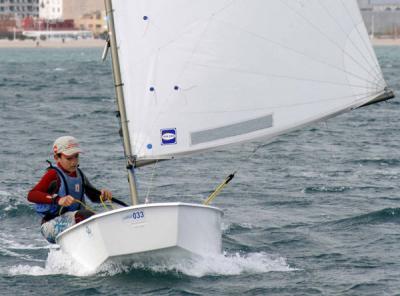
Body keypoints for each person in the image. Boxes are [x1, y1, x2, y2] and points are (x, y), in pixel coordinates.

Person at [27, 136, 112, 243]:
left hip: (75, 221)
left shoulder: (79, 174)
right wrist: (58, 200)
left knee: (99, 219)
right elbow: (31, 195)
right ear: (57, 158)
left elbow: (94, 197)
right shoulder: (53, 174)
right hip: (51, 225)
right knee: (86, 216)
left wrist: (103, 196)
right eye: (69, 158)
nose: (74, 162)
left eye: (76, 156)